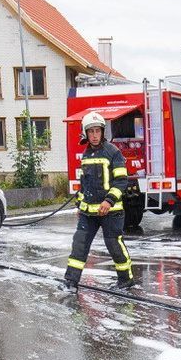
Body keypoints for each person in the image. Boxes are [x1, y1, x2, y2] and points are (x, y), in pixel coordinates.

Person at [64, 111, 136, 290]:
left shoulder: (113, 152)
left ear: (103, 132)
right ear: (85, 133)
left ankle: (126, 280)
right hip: (89, 213)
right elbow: (85, 184)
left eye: (98, 131)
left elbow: (121, 181)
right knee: (79, 244)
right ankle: (71, 282)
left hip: (111, 212)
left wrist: (108, 201)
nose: (95, 135)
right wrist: (80, 205)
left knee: (114, 244)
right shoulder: (86, 154)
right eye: (91, 131)